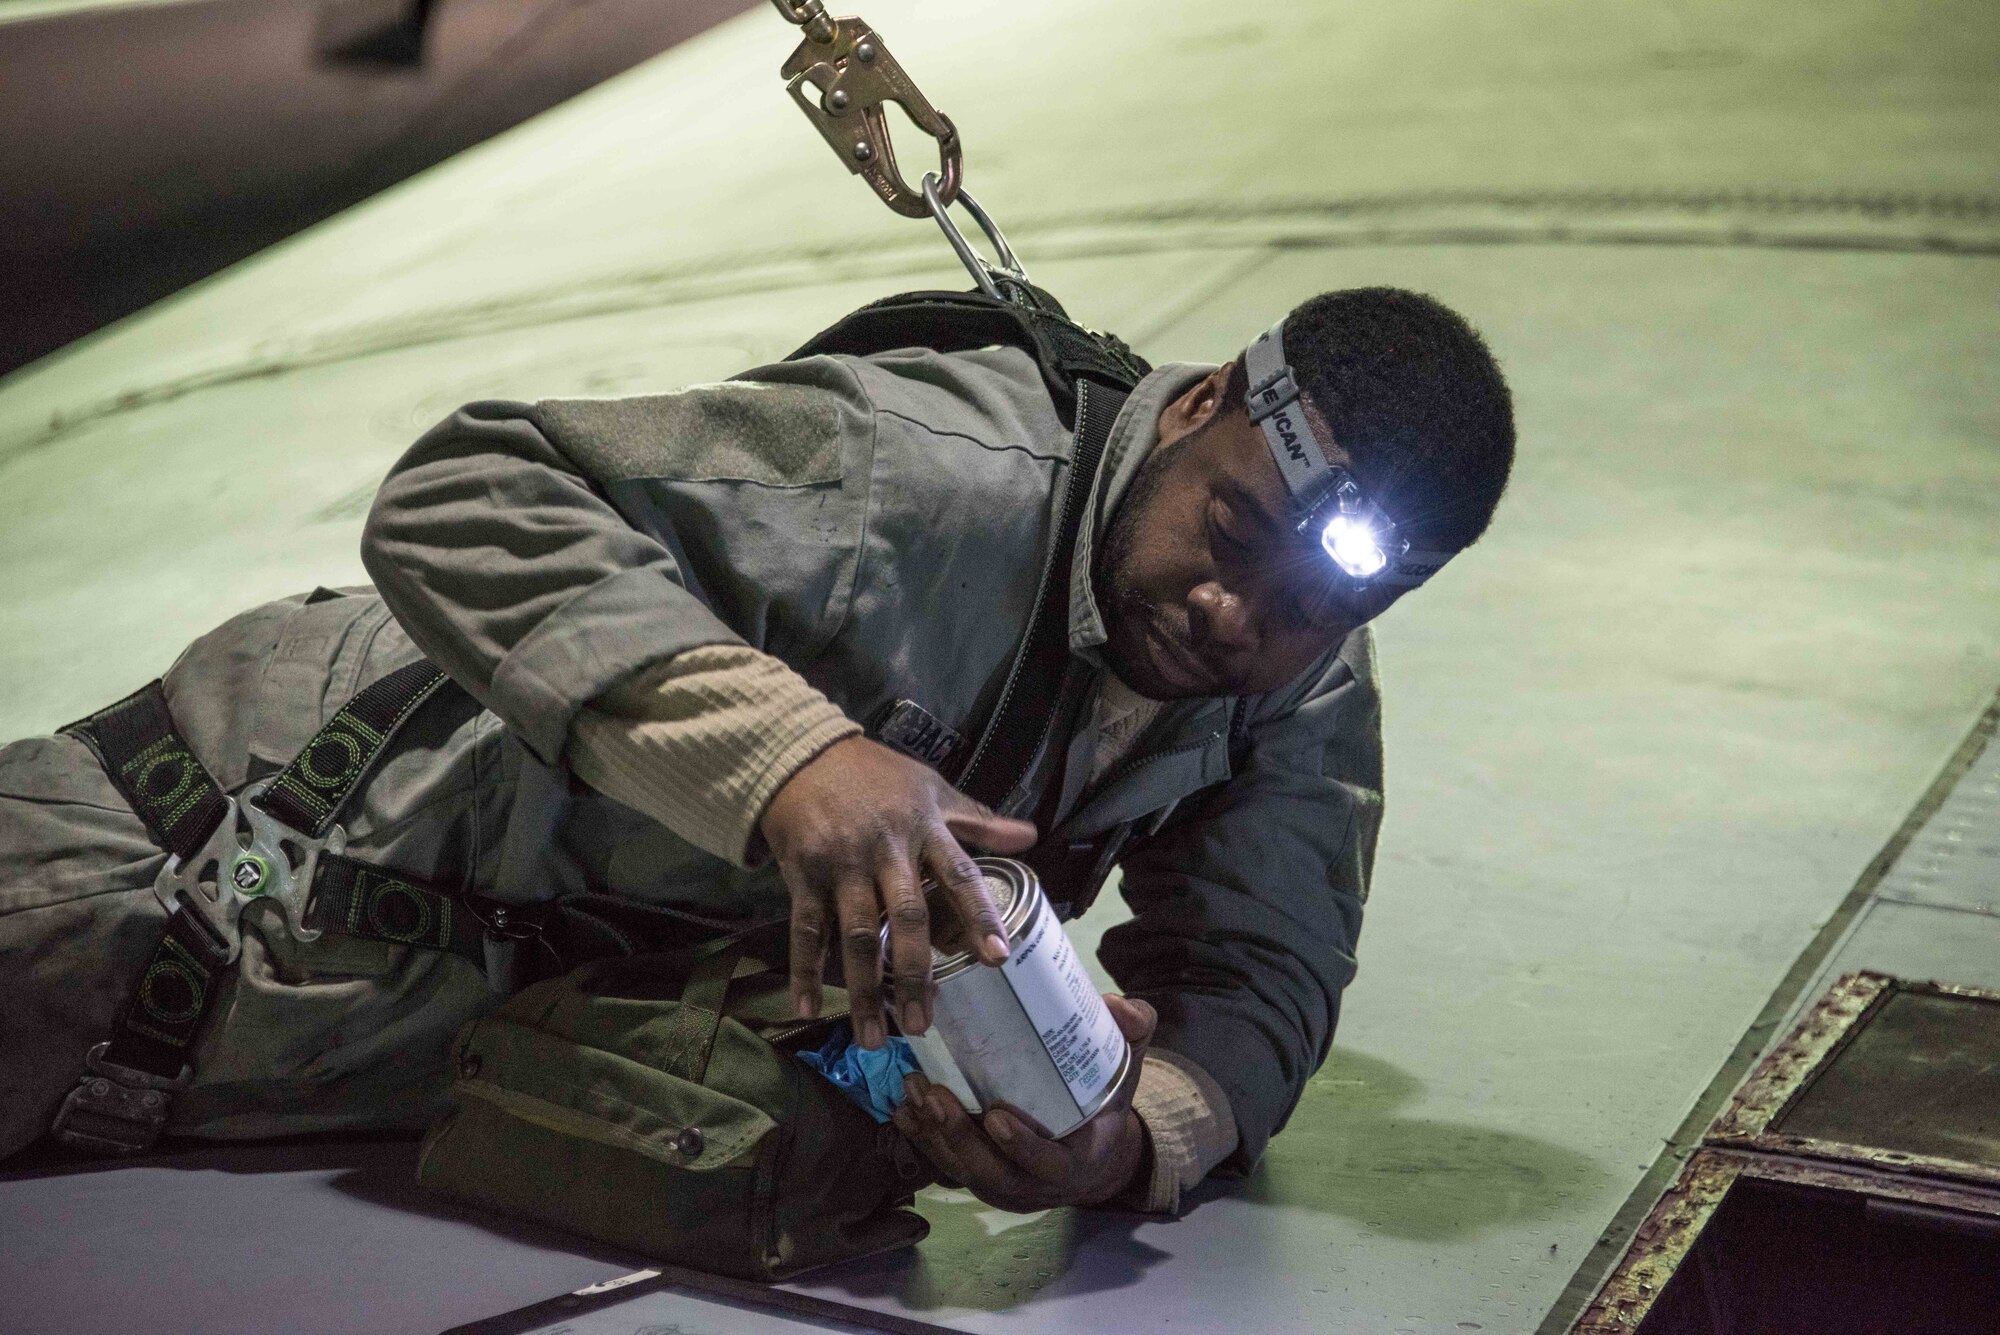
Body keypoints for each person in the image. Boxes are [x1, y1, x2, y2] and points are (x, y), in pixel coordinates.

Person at [0, 284, 1514, 1215]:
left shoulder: (1292, 683)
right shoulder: (922, 475)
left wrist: (1125, 1140)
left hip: (337, 1090)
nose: (1231, 614)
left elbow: (1263, 981)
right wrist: (796, 765)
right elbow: (459, 494)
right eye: (1230, 532)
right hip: (127, 896)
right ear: (1196, 406)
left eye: (1315, 606)